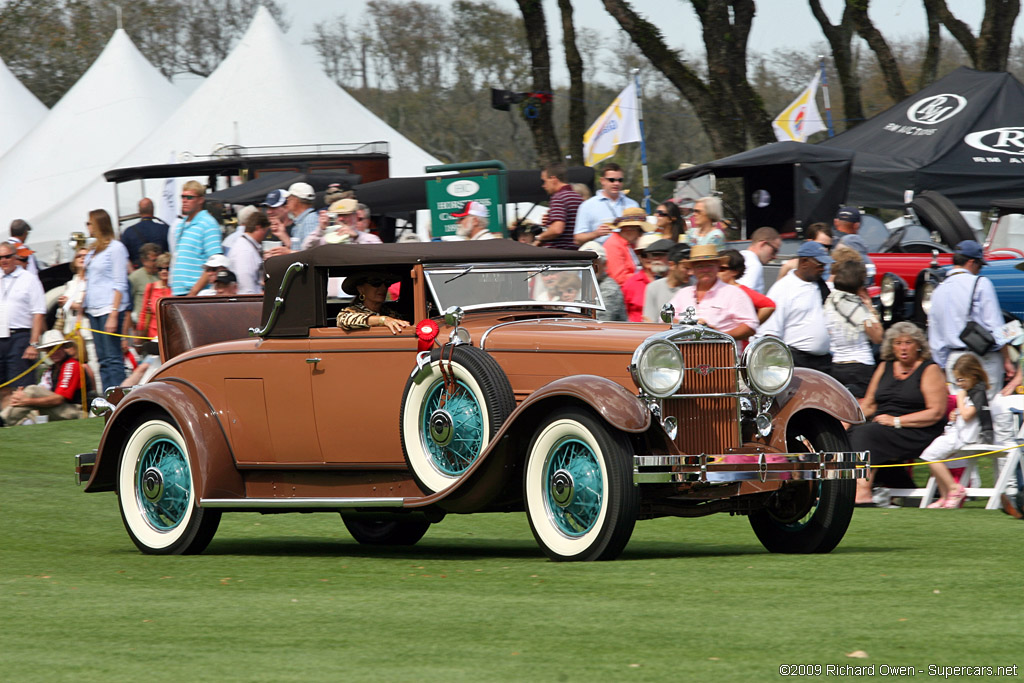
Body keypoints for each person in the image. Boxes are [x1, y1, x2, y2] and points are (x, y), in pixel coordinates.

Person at [849, 321, 948, 505]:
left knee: (866, 433)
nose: (903, 348)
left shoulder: (929, 369)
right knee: (849, 432)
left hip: (918, 429)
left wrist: (896, 421)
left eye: (908, 343)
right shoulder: (885, 366)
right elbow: (869, 405)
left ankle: (862, 491)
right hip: (884, 426)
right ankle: (837, 490)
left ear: (918, 346)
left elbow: (936, 412)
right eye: (897, 343)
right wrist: (845, 420)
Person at [928, 239, 1013, 399]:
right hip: (982, 359)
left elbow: (936, 338)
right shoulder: (981, 283)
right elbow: (996, 326)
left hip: (954, 360)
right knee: (988, 411)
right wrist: (1007, 360)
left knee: (961, 413)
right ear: (971, 262)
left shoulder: (938, 290)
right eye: (979, 266)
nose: (979, 270)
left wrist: (942, 367)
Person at [919, 354, 993, 509]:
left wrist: (960, 399)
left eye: (961, 379)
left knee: (931, 455)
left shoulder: (978, 394)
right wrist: (956, 412)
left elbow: (967, 416)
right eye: (957, 380)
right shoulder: (969, 393)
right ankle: (945, 495)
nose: (959, 384)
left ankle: (954, 488)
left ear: (973, 376)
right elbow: (963, 413)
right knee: (931, 455)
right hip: (957, 433)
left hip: (964, 437)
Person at [755, 241, 833, 372]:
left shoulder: (822, 287)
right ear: (804, 262)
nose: (823, 268)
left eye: (824, 265)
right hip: (796, 361)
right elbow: (770, 332)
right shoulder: (783, 288)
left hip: (823, 363)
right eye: (820, 264)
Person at [667, 245, 758, 341]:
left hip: (722, 353)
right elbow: (666, 319)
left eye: (710, 265)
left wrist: (720, 335)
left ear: (718, 267)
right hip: (685, 353)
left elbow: (750, 325)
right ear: (693, 270)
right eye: (700, 266)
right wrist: (685, 325)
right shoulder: (683, 294)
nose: (705, 270)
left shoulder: (734, 293)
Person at [83, 209, 131, 391]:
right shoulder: (93, 250)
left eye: (89, 223)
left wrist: (113, 313)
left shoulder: (116, 248)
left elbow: (120, 283)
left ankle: (118, 399)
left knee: (113, 358)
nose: (87, 227)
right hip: (93, 308)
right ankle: (107, 400)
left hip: (108, 308)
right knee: (102, 360)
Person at [824, 256, 882, 398]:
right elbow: (878, 337)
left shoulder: (830, 301)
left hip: (837, 366)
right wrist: (869, 305)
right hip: (860, 368)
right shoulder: (854, 306)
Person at [0, 331, 85, 426]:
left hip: (75, 411)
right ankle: (10, 422)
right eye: (49, 349)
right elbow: (42, 392)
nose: (54, 352)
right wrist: (21, 396)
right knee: (24, 396)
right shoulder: (50, 370)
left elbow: (59, 399)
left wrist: (27, 401)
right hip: (59, 410)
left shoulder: (71, 365)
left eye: (56, 348)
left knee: (31, 391)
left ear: (63, 348)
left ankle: (3, 420)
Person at [0, 241, 45, 399]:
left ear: (15, 257)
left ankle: (23, 419)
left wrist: (33, 344)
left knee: (20, 384)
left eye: (7, 256)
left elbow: (38, 312)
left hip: (20, 336)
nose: (3, 260)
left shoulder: (29, 279)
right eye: (0, 257)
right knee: (2, 384)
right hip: (1, 336)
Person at [171, 181, 223, 296]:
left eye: (189, 197)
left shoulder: (208, 223)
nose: (184, 200)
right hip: (179, 293)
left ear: (200, 200)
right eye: (183, 197)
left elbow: (215, 262)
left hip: (196, 294)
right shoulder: (181, 225)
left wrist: (193, 292)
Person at [573, 163, 639, 246]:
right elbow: (578, 239)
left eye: (620, 180)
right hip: (602, 254)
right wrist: (596, 233)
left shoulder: (632, 204)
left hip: (628, 252)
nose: (616, 183)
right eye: (611, 180)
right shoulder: (587, 205)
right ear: (602, 181)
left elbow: (641, 233)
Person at [336, 272, 410, 334]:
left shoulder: (391, 314)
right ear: (361, 289)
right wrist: (383, 320)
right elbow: (343, 320)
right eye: (376, 283)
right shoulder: (352, 311)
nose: (383, 288)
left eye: (387, 283)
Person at [623, 237, 674, 322]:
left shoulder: (676, 283)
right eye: (644, 255)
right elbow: (622, 315)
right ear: (640, 258)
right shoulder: (631, 283)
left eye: (658, 254)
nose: (649, 258)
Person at [718, 249, 775, 324]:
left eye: (721, 269)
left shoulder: (740, 290)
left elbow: (769, 305)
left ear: (735, 271)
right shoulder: (714, 289)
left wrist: (751, 327)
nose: (716, 272)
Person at [535, 163, 581, 250]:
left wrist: (539, 238)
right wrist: (550, 222)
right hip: (575, 251)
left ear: (553, 179)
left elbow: (557, 230)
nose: (543, 186)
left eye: (544, 181)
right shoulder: (577, 197)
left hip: (559, 253)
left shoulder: (558, 197)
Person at [604, 207, 653, 286]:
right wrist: (645, 277)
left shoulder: (630, 244)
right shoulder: (613, 245)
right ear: (629, 229)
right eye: (641, 231)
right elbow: (619, 278)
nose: (641, 235)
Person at [579, 242, 626, 322]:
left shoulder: (610, 288)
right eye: (585, 262)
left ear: (604, 264)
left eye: (594, 262)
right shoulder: (580, 284)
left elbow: (599, 319)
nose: (590, 266)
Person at [643, 243, 690, 322]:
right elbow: (649, 322)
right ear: (672, 265)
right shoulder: (653, 288)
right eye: (686, 268)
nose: (690, 273)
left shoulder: (694, 287)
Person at [120, 199, 169, 268]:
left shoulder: (129, 232)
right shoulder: (164, 229)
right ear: (153, 210)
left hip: (138, 273)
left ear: (139, 211)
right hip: (161, 271)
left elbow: (124, 257)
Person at [229, 211, 269, 295]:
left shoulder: (247, 246)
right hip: (247, 300)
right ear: (258, 228)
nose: (265, 235)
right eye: (265, 231)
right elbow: (246, 285)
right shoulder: (245, 251)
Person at [833, 205, 875, 281]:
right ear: (856, 226)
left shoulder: (825, 239)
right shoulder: (854, 242)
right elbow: (869, 275)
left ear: (835, 222)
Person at [137, 253, 172, 341]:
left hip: (172, 334)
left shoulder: (177, 289)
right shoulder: (151, 287)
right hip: (153, 335)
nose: (164, 271)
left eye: (167, 268)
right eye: (160, 269)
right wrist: (140, 334)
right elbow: (143, 312)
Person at [736, 226, 781, 294]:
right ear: (762, 244)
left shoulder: (739, 256)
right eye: (774, 251)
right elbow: (743, 295)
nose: (775, 257)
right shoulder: (754, 264)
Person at [128, 243, 161, 325]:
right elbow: (129, 304)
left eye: (158, 259)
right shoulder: (135, 277)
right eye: (153, 260)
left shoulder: (163, 275)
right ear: (143, 261)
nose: (157, 263)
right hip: (142, 323)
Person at [262, 189, 295, 258]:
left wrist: (284, 237)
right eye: (268, 208)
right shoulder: (269, 230)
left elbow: (303, 255)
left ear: (286, 208)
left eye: (273, 207)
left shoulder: (296, 228)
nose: (269, 212)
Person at [286, 182, 319, 251]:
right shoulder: (301, 221)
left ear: (295, 200)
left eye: (288, 199)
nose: (287, 203)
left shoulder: (310, 219)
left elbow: (311, 252)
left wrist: (288, 253)